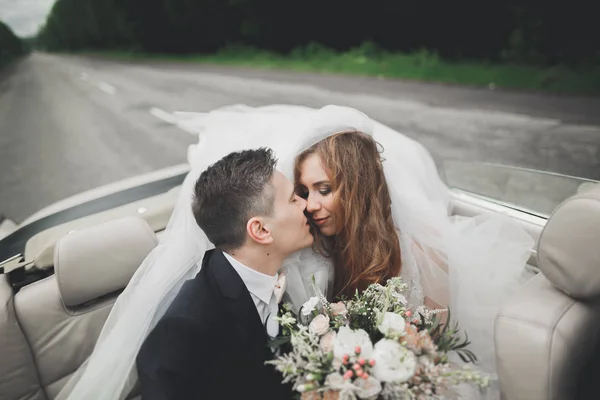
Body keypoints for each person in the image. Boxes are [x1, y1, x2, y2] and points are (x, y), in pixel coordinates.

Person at [57, 104, 534, 400]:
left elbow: (435, 355)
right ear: (261, 229)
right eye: (298, 194)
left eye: (322, 189)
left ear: (358, 188)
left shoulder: (298, 267)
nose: (308, 206)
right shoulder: (186, 332)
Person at [136, 147, 311, 399]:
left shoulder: (282, 278)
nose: (306, 204)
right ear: (261, 230)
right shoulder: (181, 336)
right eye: (294, 199)